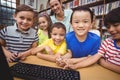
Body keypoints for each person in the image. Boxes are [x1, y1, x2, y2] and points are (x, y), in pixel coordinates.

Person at [63, 7, 120, 74]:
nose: (111, 30)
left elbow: (94, 59)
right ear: (71, 24)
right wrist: (70, 62)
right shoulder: (107, 42)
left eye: (116, 25)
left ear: (91, 24)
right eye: (108, 27)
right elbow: (95, 59)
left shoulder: (96, 39)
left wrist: (73, 62)